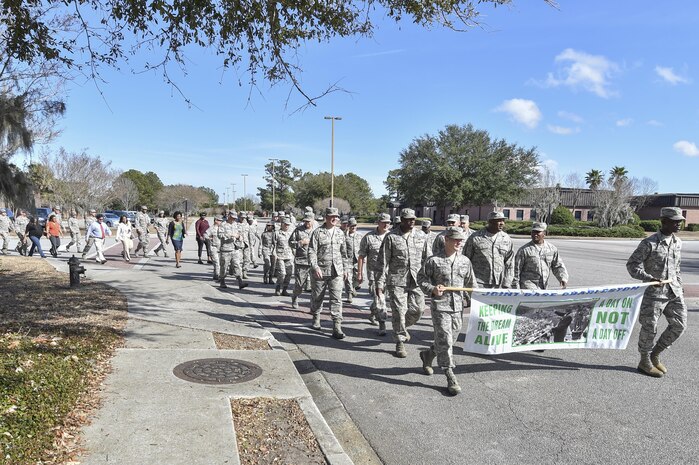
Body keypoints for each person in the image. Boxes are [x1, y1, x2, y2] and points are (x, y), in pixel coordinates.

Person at [626, 206, 687, 378]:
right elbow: (632, 265)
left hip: (673, 292)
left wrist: (679, 284)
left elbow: (677, 268)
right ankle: (644, 361)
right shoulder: (649, 243)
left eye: (680, 222)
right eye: (675, 222)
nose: (678, 225)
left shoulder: (677, 242)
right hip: (654, 294)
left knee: (679, 325)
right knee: (649, 328)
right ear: (664, 221)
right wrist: (648, 278)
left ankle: (655, 353)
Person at [417, 226, 476, 396]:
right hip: (440, 306)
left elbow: (471, 284)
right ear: (446, 240)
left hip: (458, 307)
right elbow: (421, 278)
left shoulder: (465, 261)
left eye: (460, 240)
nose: (459, 243)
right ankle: (450, 374)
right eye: (455, 239)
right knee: (446, 340)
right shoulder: (433, 261)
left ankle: (428, 354)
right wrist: (432, 289)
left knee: (452, 338)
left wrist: (478, 301)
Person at [376, 208, 427, 357]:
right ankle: (400, 341)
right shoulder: (391, 237)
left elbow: (427, 258)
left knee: (418, 310)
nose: (411, 222)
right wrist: (380, 283)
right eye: (408, 219)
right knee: (398, 310)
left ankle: (401, 326)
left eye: (413, 219)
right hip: (396, 280)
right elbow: (382, 262)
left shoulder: (421, 235)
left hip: (417, 279)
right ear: (401, 220)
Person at [308, 207, 348, 338]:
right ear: (326, 217)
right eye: (332, 216)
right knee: (317, 297)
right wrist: (315, 267)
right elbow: (311, 251)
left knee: (337, 299)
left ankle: (337, 326)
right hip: (320, 271)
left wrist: (346, 269)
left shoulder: (340, 233)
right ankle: (316, 317)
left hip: (336, 271)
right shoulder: (317, 232)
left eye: (336, 216)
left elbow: (344, 253)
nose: (334, 218)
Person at [357, 213, 392, 334]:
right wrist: (359, 273)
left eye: (388, 222)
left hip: (389, 273)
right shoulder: (369, 237)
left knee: (382, 298)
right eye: (384, 222)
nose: (386, 224)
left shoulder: (392, 236)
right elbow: (361, 256)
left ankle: (373, 313)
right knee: (379, 297)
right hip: (374, 274)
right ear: (378, 222)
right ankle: (382, 324)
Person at [463, 210, 514, 289]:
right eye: (499, 221)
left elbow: (510, 263)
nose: (502, 223)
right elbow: (465, 260)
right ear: (490, 222)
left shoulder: (506, 239)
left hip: (498, 284)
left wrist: (507, 282)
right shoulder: (475, 237)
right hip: (478, 282)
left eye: (503, 221)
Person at [513, 222, 568, 290]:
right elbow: (516, 270)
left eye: (538, 232)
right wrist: (516, 288)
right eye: (533, 232)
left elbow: (557, 266)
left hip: (544, 287)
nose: (535, 235)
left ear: (544, 233)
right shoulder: (524, 250)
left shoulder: (552, 249)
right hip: (528, 287)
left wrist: (562, 278)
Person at [289, 213, 314, 308]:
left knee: (314, 286)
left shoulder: (317, 231)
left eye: (309, 221)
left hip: (313, 262)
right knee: (299, 285)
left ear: (313, 220)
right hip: (301, 261)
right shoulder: (298, 230)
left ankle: (313, 304)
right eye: (305, 221)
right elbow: (290, 242)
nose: (307, 223)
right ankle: (295, 296)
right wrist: (300, 243)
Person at [218, 212, 248, 289]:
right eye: (233, 218)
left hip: (235, 248)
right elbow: (219, 235)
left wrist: (239, 237)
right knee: (224, 266)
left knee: (237, 265)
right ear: (229, 217)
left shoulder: (235, 224)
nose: (234, 219)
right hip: (226, 249)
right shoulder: (223, 224)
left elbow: (238, 233)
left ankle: (240, 281)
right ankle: (222, 281)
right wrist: (230, 235)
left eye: (235, 218)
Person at [273, 217, 294, 296]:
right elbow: (273, 245)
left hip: (289, 255)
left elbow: (293, 244)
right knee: (282, 273)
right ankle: (278, 287)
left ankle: (284, 289)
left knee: (289, 274)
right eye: (285, 224)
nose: (286, 226)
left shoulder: (291, 233)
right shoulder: (277, 233)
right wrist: (274, 254)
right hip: (280, 256)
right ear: (282, 224)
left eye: (288, 225)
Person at [344, 217, 362, 304]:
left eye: (355, 226)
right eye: (352, 226)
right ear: (348, 226)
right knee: (348, 278)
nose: (353, 227)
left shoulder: (360, 236)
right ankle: (349, 294)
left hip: (358, 260)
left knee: (360, 278)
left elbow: (363, 248)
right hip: (348, 260)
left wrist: (364, 258)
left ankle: (354, 287)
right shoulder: (344, 236)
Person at [204, 216, 224, 281]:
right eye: (219, 220)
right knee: (216, 262)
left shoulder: (222, 228)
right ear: (215, 220)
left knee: (220, 263)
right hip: (213, 247)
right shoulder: (211, 228)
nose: (220, 222)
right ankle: (218, 276)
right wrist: (209, 238)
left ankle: (215, 275)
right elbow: (205, 234)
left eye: (221, 220)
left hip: (221, 248)